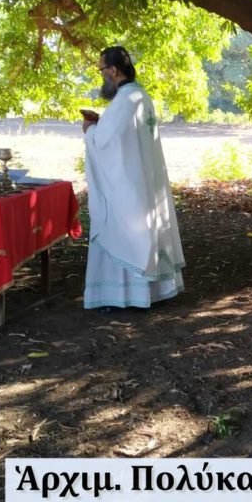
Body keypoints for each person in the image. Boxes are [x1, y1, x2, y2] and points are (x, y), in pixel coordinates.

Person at [82, 45, 184, 311]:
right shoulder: (141, 96)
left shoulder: (125, 101)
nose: (101, 75)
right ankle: (152, 292)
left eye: (102, 69)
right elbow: (122, 137)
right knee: (145, 229)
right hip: (143, 178)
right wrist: (100, 124)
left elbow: (104, 143)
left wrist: (90, 130)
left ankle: (120, 296)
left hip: (127, 184)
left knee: (121, 228)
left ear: (113, 70)